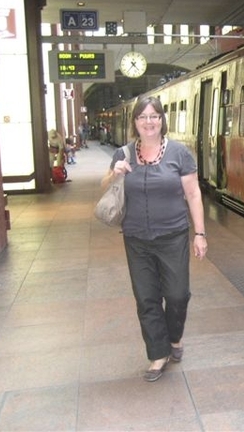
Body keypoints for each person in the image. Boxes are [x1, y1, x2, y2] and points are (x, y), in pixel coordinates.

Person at [100, 96, 208, 382]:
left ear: (162, 120)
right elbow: (106, 185)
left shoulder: (179, 154)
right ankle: (158, 354)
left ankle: (174, 338)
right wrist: (115, 173)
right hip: (136, 238)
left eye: (154, 116)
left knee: (177, 294)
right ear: (135, 122)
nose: (149, 122)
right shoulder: (123, 153)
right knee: (146, 297)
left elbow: (193, 194)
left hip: (173, 236)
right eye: (143, 117)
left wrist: (199, 234)